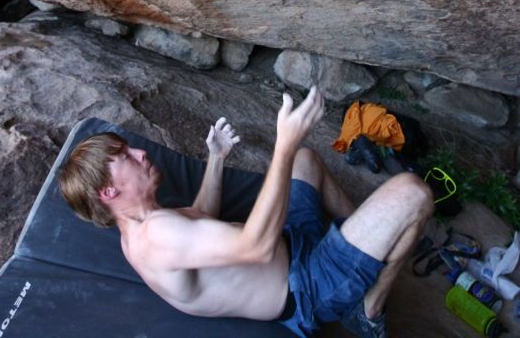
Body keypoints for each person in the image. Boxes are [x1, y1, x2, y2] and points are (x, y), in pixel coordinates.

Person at [58, 86, 433, 338]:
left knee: (306, 161)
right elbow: (256, 248)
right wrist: (283, 143)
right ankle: (367, 311)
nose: (140, 154)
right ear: (108, 191)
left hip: (295, 241)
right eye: (125, 157)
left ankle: (364, 245)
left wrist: (216, 159)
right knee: (413, 193)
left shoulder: (146, 223)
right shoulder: (156, 236)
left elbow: (201, 216)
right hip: (307, 287)